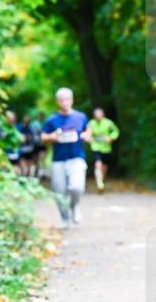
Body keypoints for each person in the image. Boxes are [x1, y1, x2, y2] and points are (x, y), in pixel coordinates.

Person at [40, 88, 91, 228]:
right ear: (57, 102)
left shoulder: (80, 117)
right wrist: (52, 137)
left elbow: (88, 130)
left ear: (72, 100)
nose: (65, 102)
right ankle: (64, 218)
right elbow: (43, 136)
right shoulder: (52, 120)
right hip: (58, 160)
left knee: (77, 187)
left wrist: (87, 136)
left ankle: (74, 206)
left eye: (67, 99)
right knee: (59, 192)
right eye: (62, 100)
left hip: (77, 158)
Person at [87, 107, 120, 193]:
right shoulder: (91, 123)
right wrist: (89, 138)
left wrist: (111, 138)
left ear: (103, 115)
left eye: (99, 114)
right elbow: (88, 133)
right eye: (96, 115)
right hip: (96, 147)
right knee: (98, 164)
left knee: (104, 167)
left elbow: (116, 131)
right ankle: (99, 183)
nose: (98, 116)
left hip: (106, 148)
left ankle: (101, 180)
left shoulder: (108, 122)